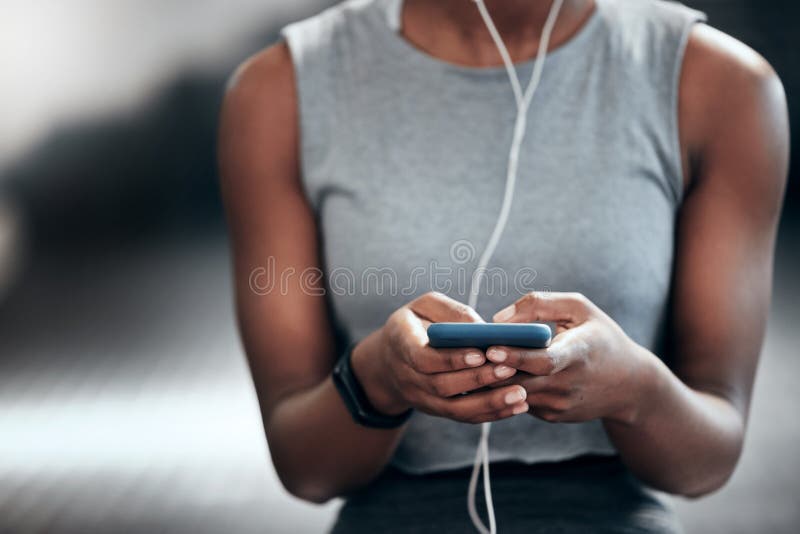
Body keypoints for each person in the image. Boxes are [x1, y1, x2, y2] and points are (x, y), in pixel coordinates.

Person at [217, 0, 789, 531]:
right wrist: (376, 381)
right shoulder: (280, 91)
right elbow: (305, 467)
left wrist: (633, 389)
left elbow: (707, 462)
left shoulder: (719, 86)